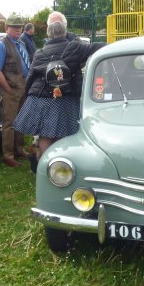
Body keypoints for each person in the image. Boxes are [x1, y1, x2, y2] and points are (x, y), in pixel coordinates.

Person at [13, 19, 105, 173]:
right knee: (65, 135)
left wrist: (28, 93)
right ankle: (60, 168)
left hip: (41, 97)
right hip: (65, 98)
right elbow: (98, 47)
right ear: (65, 32)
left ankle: (43, 168)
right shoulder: (76, 47)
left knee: (45, 135)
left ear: (48, 34)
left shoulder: (40, 53)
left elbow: (31, 76)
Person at [0, 20, 31, 167]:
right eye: (15, 28)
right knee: (9, 123)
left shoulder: (21, 44)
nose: (18, 30)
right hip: (11, 90)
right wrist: (7, 89)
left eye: (20, 28)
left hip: (23, 88)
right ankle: (8, 155)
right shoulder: (1, 45)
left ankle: (19, 149)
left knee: (21, 121)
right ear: (7, 28)